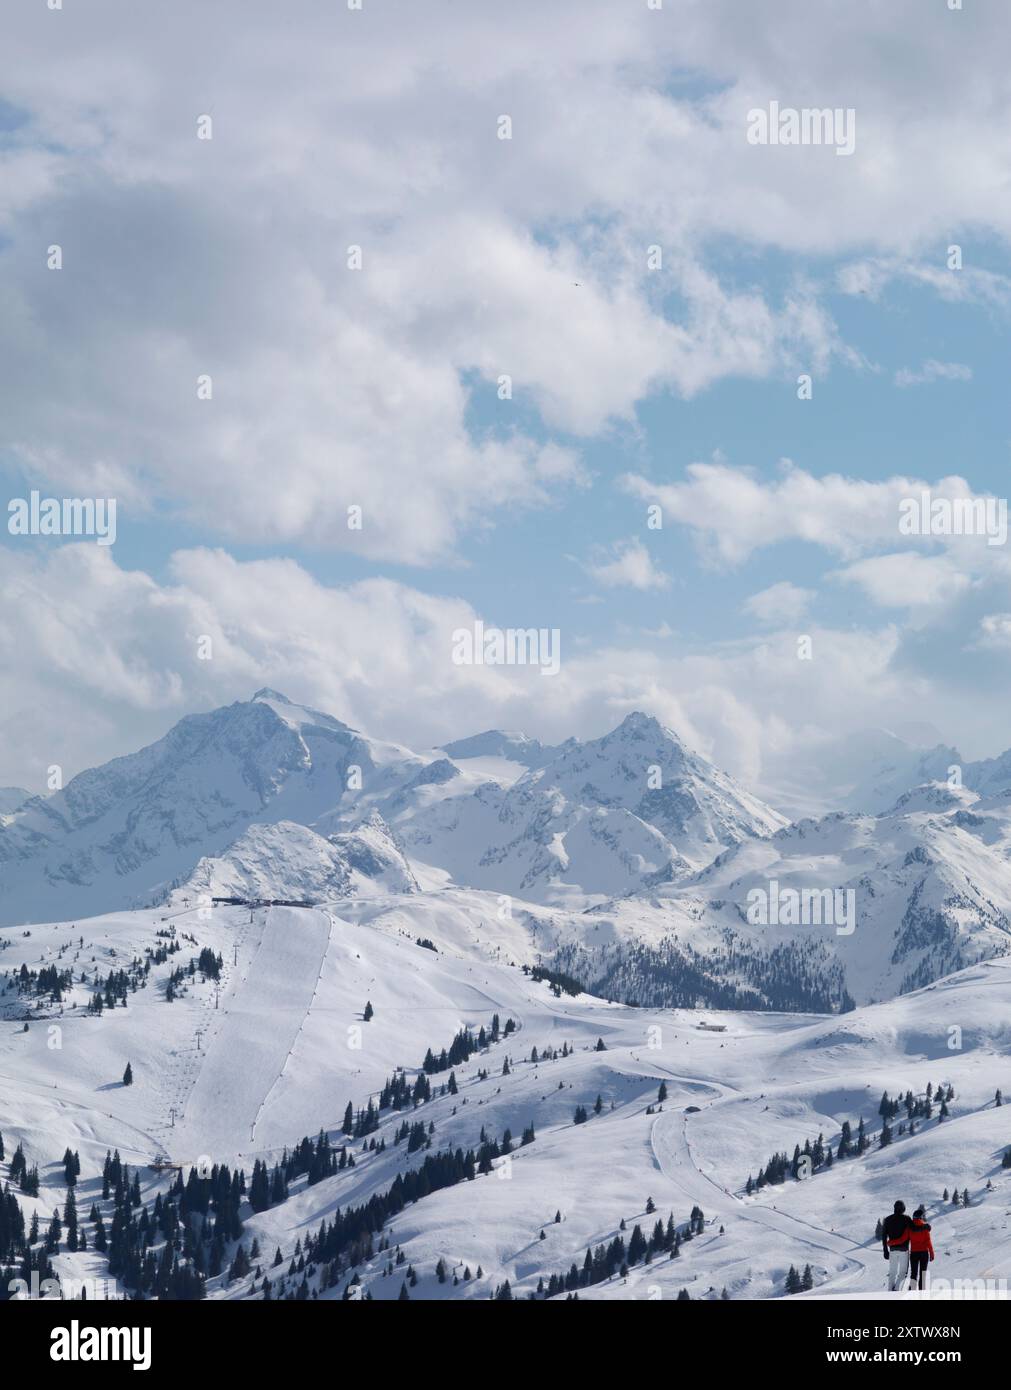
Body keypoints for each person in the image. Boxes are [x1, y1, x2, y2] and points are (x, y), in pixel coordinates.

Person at [881, 1199, 912, 1290]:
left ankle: (890, 1292)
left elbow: (884, 1236)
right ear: (903, 1208)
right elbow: (914, 1229)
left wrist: (885, 1250)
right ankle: (897, 1290)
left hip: (892, 1250)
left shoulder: (887, 1219)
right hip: (904, 1250)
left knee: (892, 1272)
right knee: (903, 1272)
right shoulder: (906, 1218)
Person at [908, 1207, 934, 1290]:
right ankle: (922, 1293)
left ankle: (911, 1292)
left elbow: (904, 1239)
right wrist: (931, 1253)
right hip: (924, 1253)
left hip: (914, 1253)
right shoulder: (925, 1227)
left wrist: (890, 1242)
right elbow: (928, 1241)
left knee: (913, 1273)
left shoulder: (910, 1227)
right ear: (920, 1217)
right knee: (923, 1274)